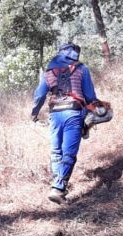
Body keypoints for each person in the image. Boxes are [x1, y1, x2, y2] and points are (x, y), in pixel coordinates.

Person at [30, 43, 98, 205]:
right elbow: (89, 96)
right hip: (74, 113)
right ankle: (58, 188)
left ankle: (57, 183)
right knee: (69, 152)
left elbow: (39, 96)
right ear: (76, 54)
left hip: (55, 115)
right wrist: (92, 114)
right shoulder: (82, 69)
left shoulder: (49, 72)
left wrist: (34, 113)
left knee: (56, 151)